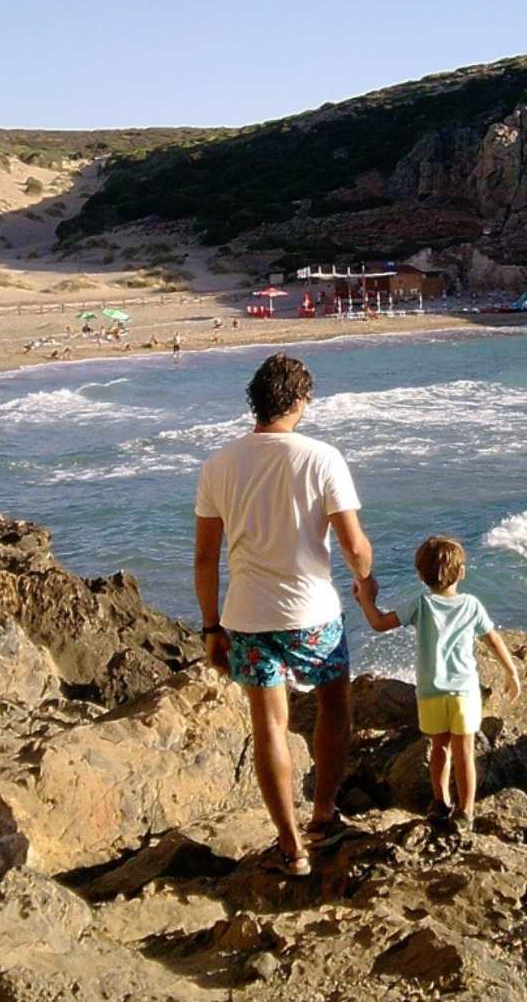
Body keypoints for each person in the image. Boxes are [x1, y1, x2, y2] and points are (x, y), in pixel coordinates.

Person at [194, 353, 376, 877]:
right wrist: (365, 583)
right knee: (334, 706)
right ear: (300, 401)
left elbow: (205, 558)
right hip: (313, 612)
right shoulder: (322, 458)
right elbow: (354, 545)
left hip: (247, 617)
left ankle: (291, 846)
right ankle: (323, 814)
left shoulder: (218, 464)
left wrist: (211, 627)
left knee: (268, 725)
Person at [353, 536, 520, 831]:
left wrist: (366, 600)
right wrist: (511, 671)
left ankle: (440, 803)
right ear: (462, 573)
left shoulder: (421, 604)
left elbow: (379, 623)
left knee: (439, 749)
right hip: (465, 692)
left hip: (430, 692)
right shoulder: (471, 605)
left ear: (420, 575)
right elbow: (492, 639)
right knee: (464, 752)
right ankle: (465, 811)